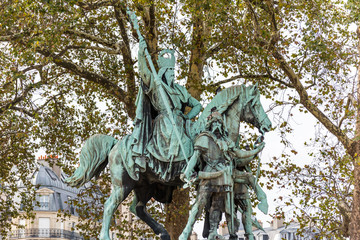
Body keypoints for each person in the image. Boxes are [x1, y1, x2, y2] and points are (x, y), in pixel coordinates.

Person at [179, 110, 265, 240]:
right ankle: (186, 231)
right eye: (215, 122)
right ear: (210, 124)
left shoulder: (227, 142)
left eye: (219, 122)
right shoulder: (204, 138)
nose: (217, 124)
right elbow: (195, 158)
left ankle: (213, 231)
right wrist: (187, 171)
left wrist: (256, 150)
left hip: (224, 178)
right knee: (200, 204)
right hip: (209, 176)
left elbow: (240, 154)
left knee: (217, 206)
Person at [129, 39, 202, 181]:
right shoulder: (156, 85)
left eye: (174, 71)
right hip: (164, 122)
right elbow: (144, 72)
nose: (172, 74)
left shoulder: (180, 90)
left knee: (198, 137)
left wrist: (188, 117)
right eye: (170, 71)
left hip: (180, 120)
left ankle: (191, 167)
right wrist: (140, 54)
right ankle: (175, 164)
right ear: (163, 71)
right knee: (182, 139)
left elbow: (197, 105)